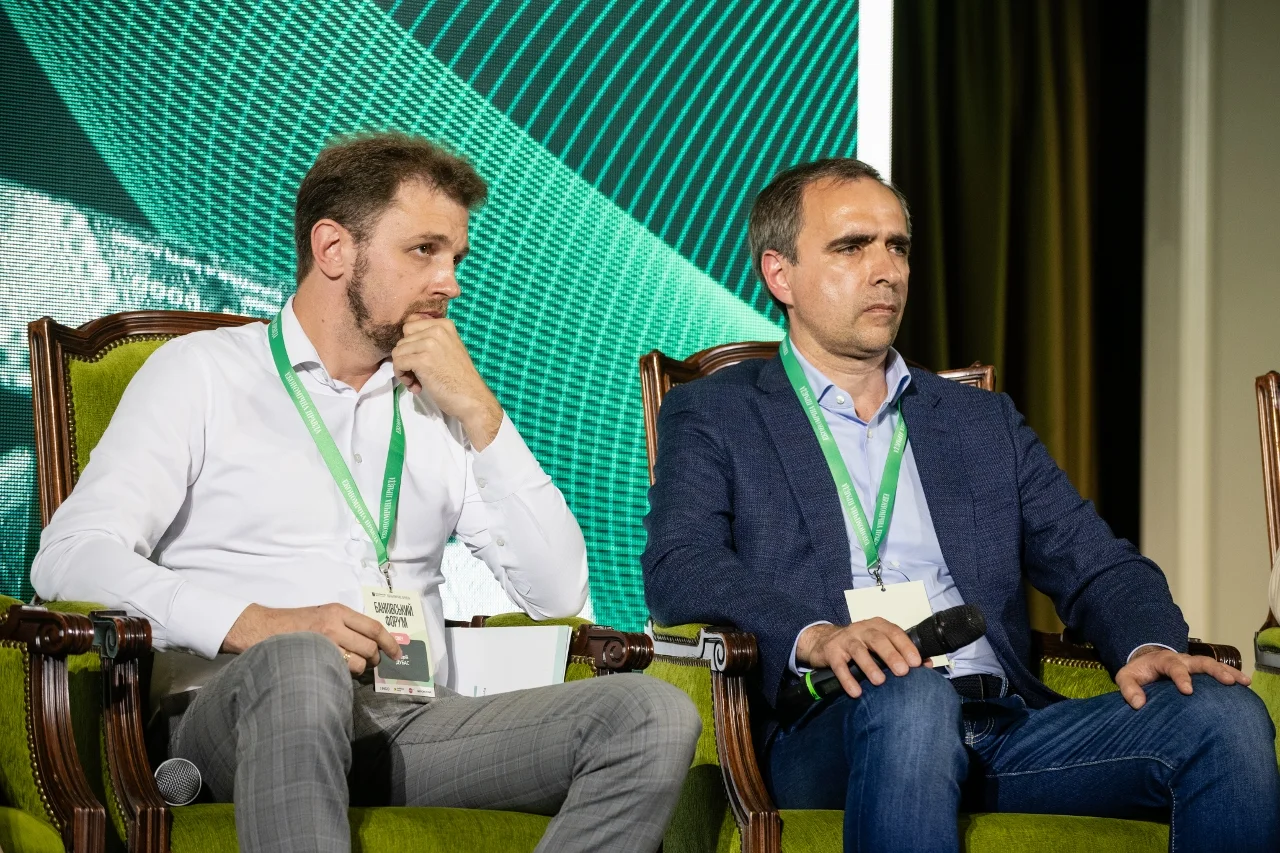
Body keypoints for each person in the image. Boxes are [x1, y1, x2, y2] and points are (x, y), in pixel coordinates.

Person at [32, 132, 699, 853]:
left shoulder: (438, 406)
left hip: (404, 718)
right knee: (301, 658)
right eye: (424, 251)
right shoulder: (201, 374)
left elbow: (558, 593)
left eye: (456, 258)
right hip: (235, 712)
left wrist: (482, 413)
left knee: (649, 715)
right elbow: (71, 556)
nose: (450, 283)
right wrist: (254, 623)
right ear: (333, 249)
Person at [642, 157, 1279, 852]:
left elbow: (1098, 564)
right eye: (852, 247)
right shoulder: (718, 413)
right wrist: (817, 634)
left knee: (1226, 714)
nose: (886, 270)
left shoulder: (979, 422)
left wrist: (1149, 644)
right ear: (780, 274)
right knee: (910, 695)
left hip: (999, 725)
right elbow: (681, 564)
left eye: (897, 247)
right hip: (836, 727)